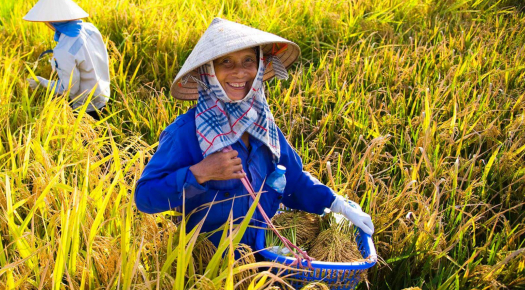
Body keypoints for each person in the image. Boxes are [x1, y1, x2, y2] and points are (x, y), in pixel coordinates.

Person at [134, 18, 373, 254]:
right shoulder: (187, 132)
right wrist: (201, 173)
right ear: (209, 71)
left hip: (266, 250)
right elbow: (145, 197)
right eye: (226, 62)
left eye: (248, 60)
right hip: (209, 264)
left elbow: (293, 180)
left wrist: (335, 203)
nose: (239, 72)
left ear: (259, 67)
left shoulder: (263, 124)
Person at [24, 0, 110, 119]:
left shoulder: (63, 49)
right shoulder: (90, 28)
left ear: (50, 22)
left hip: (86, 107)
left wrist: (42, 83)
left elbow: (69, 89)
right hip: (103, 95)